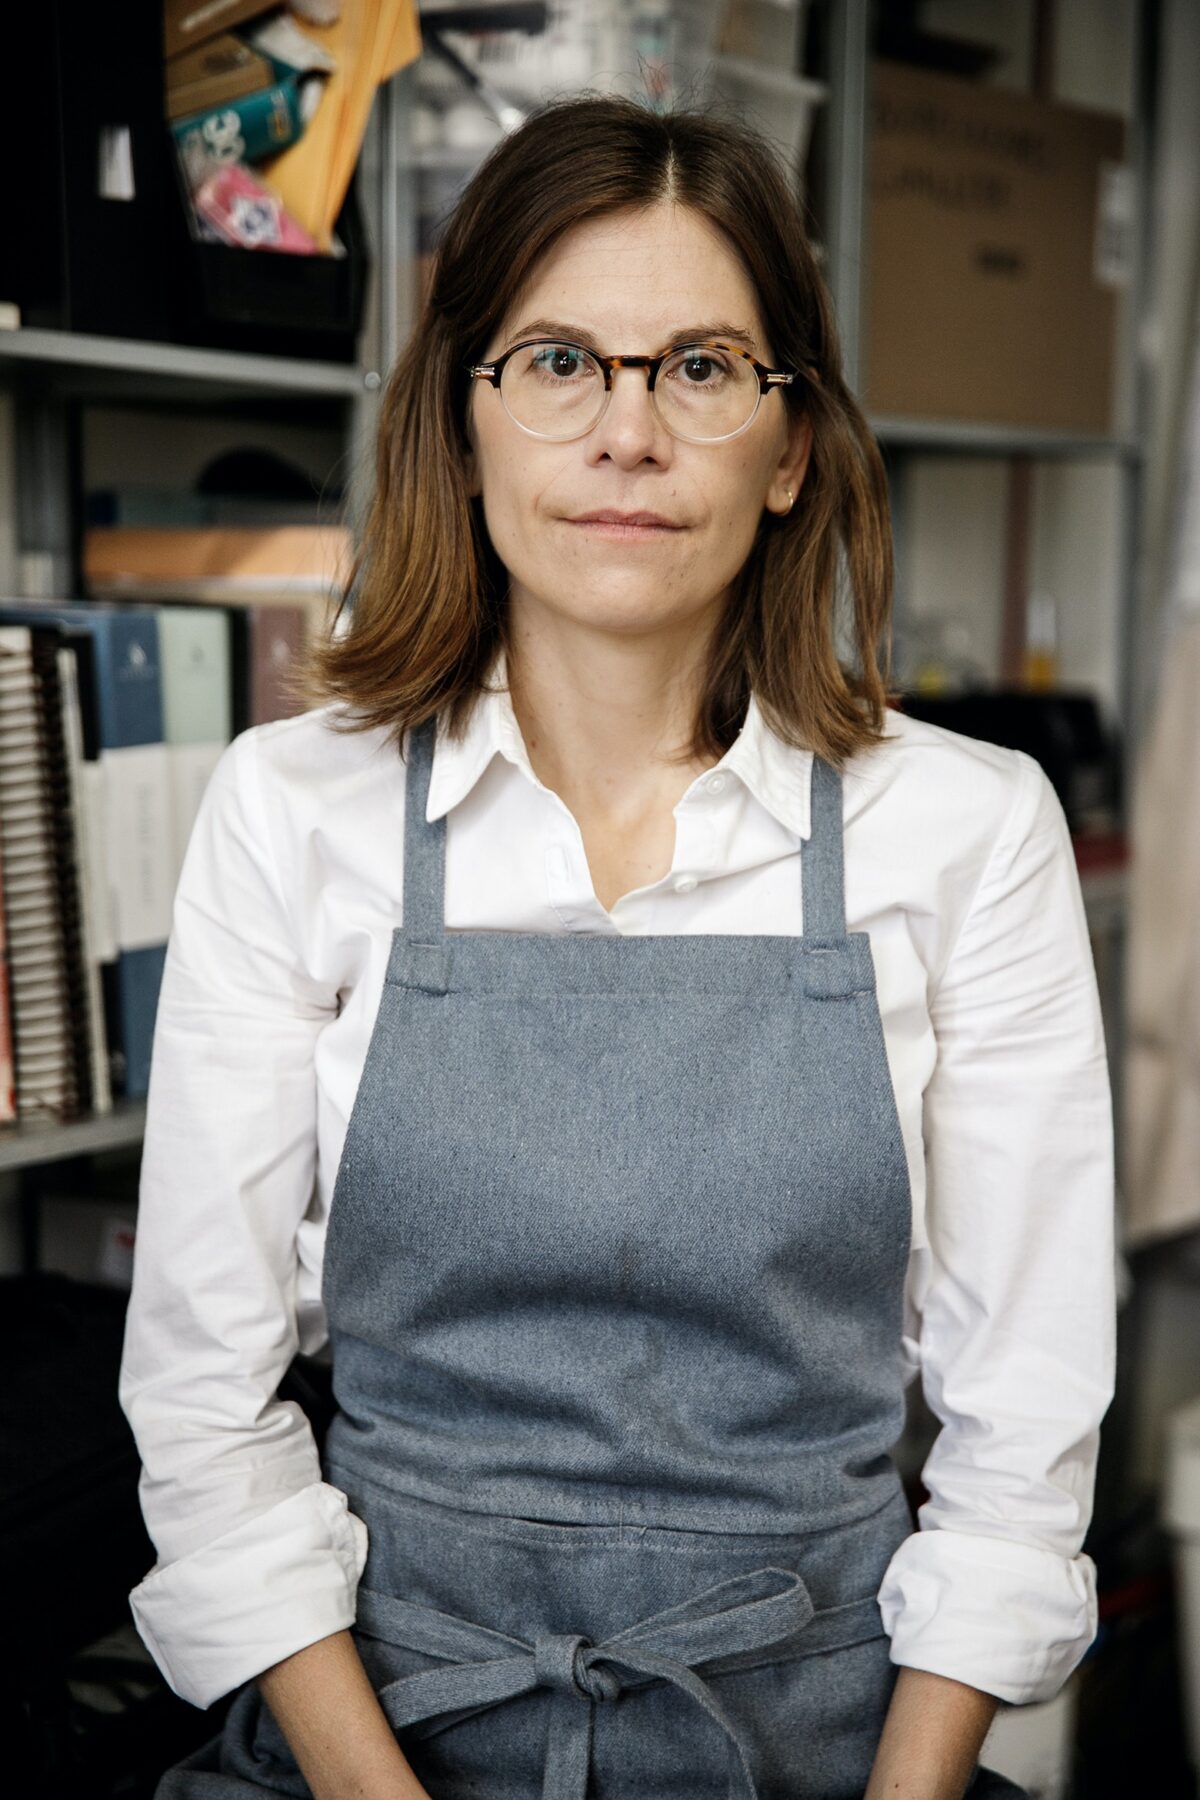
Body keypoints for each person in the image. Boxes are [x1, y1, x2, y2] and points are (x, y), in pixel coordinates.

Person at [120, 94, 1115, 1800]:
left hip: (822, 1755)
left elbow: (1022, 1448)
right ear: (466, 418)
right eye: (561, 361)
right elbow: (204, 1416)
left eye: (703, 367)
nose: (627, 434)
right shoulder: (293, 810)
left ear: (790, 445)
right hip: (378, 1749)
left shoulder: (968, 827)